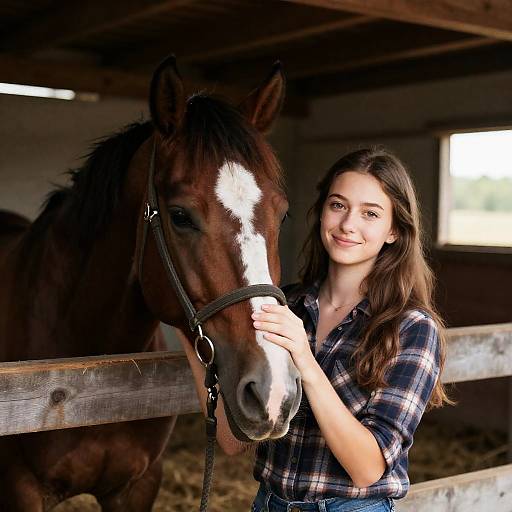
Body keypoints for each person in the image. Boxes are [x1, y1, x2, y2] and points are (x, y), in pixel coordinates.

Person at [177, 147, 450, 511]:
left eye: (370, 213)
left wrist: (305, 359)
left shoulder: (411, 328)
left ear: (394, 232)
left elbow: (368, 468)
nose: (348, 224)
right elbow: (234, 441)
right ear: (322, 211)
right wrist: (188, 332)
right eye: (338, 205)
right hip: (269, 504)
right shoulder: (283, 306)